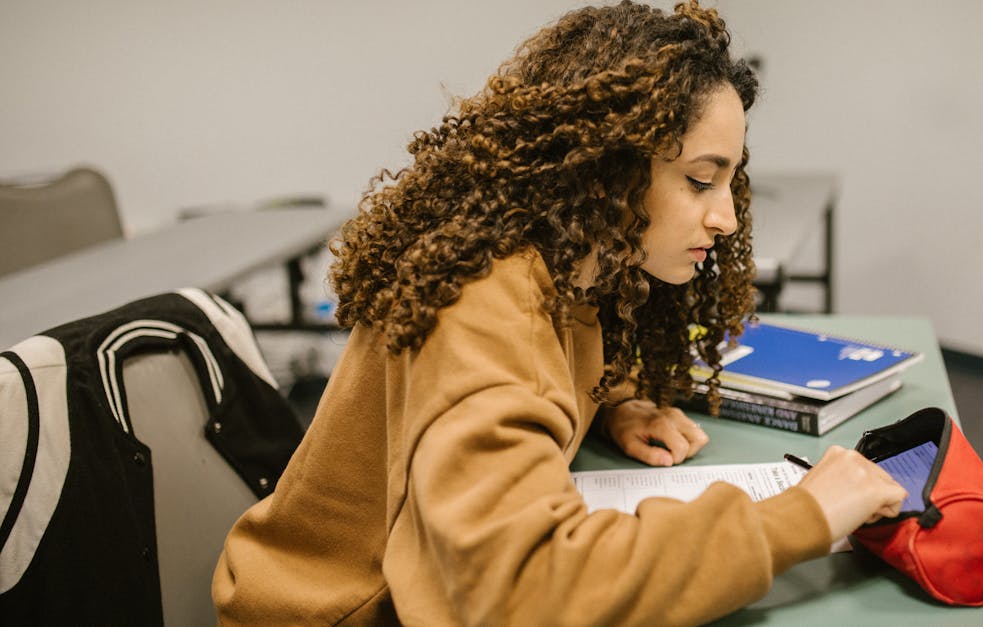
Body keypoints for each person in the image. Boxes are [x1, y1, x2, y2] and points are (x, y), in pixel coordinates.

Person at [213, 2, 906, 625]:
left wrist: (615, 403)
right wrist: (800, 516)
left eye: (730, 181)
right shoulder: (484, 303)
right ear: (607, 168)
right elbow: (523, 588)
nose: (725, 216)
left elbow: (542, 377)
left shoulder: (571, 266)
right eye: (700, 179)